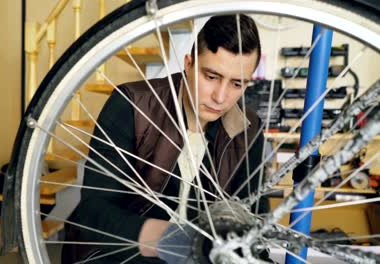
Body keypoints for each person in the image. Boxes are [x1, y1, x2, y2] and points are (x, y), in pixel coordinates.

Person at [61, 14, 269, 264]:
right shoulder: (132, 105)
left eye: (237, 83)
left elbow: (254, 217)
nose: (220, 97)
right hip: (124, 254)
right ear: (189, 64)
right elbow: (94, 211)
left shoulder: (249, 129)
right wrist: (177, 242)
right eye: (211, 77)